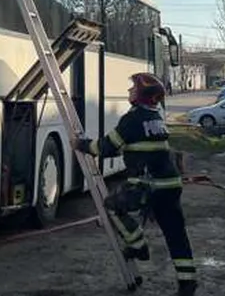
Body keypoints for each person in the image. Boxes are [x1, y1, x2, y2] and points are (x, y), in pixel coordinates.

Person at [71, 72, 198, 296]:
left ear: (141, 95)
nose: (129, 91)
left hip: (147, 185)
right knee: (176, 233)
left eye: (133, 88)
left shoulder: (133, 118)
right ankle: (188, 283)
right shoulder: (156, 117)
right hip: (170, 185)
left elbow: (106, 148)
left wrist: (81, 144)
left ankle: (138, 246)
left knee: (111, 205)